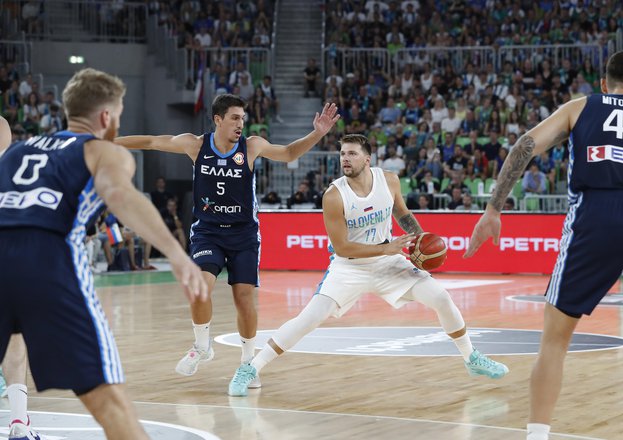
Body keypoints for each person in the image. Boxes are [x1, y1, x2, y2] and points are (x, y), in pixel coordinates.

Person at [0, 68, 207, 440]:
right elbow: (120, 195)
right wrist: (176, 253)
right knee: (111, 404)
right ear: (107, 117)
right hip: (48, 264)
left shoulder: (16, 150)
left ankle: (19, 421)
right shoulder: (101, 149)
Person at [464, 50, 623, 440]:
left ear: (603, 85)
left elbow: (524, 145)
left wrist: (492, 209)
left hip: (595, 217)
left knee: (554, 341)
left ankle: (538, 435)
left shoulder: (580, 107)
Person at [227, 134, 508, 397]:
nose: (345, 159)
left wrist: (419, 241)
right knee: (309, 319)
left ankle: (471, 357)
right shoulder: (334, 195)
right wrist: (386, 248)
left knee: (441, 297)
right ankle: (250, 367)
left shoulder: (390, 181)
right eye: (342, 154)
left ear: (367, 159)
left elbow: (403, 214)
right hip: (349, 266)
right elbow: (342, 247)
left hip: (389, 262)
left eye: (351, 153)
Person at [115, 94, 339, 388]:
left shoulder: (251, 146)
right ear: (218, 119)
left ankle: (248, 365)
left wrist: (317, 133)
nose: (240, 124)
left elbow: (287, 153)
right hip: (208, 232)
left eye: (243, 119)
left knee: (244, 299)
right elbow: (151, 141)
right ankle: (202, 345)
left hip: (243, 234)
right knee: (199, 289)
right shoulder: (195, 144)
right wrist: (107, 142)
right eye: (235, 118)